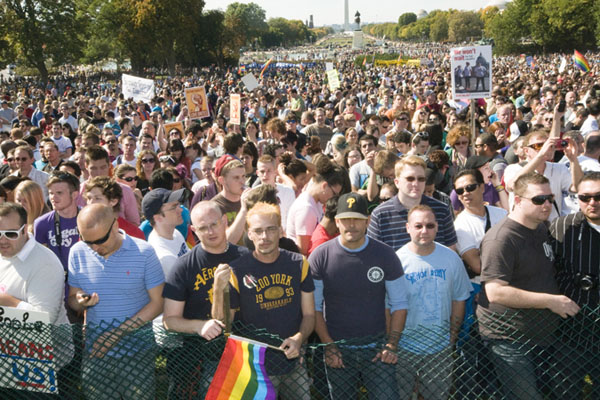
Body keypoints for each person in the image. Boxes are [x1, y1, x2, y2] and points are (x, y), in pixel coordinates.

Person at [477, 172, 580, 399]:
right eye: (538, 200)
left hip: (541, 336)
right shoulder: (501, 239)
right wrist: (550, 301)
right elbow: (495, 292)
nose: (546, 205)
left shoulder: (541, 228)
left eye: (550, 198)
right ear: (517, 200)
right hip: (508, 337)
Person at [309, 192, 408, 399]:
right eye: (346, 219)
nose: (351, 225)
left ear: (368, 221)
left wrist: (391, 345)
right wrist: (329, 345)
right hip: (338, 351)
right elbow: (314, 307)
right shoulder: (320, 256)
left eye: (357, 219)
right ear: (337, 221)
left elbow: (400, 304)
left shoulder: (386, 255)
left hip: (378, 350)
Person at [212, 202, 315, 399]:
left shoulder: (298, 263)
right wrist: (218, 289)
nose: (264, 237)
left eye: (270, 229)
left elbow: (310, 315)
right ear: (249, 234)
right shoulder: (237, 270)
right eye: (258, 231)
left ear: (280, 231)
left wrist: (299, 339)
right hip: (255, 367)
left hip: (293, 361)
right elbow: (223, 322)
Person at [67, 204, 165, 399]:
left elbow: (158, 303)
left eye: (100, 240)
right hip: (95, 353)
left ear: (115, 226)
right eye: (88, 242)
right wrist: (80, 301)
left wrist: (117, 334)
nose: (95, 248)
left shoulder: (144, 252)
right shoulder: (77, 252)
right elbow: (73, 300)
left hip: (137, 353)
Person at [162, 201, 249, 398]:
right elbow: (169, 320)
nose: (210, 232)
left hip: (243, 349)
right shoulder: (184, 266)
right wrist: (199, 326)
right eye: (203, 228)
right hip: (200, 355)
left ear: (225, 221)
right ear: (194, 230)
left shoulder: (246, 258)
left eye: (214, 224)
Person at [395, 205, 471, 400]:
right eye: (418, 226)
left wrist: (452, 337)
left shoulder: (451, 258)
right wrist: (391, 342)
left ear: (437, 227)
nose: (424, 231)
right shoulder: (396, 261)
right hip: (403, 348)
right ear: (408, 227)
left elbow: (459, 299)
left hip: (439, 348)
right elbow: (389, 306)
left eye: (429, 226)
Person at [0, 202, 74, 398]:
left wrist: (6, 301)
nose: (2, 240)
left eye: (10, 234)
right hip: (8, 364)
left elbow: (44, 320)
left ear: (25, 230)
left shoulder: (44, 263)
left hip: (44, 369)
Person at [549, 172, 600, 398]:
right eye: (585, 197)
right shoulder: (562, 227)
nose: (592, 202)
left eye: (599, 196)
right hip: (570, 331)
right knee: (565, 391)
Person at [368, 155, 457, 252]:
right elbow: (374, 253)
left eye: (421, 179)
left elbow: (451, 250)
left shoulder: (442, 210)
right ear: (397, 182)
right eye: (410, 179)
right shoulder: (380, 215)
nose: (416, 183)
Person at [287, 156, 347, 255]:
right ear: (324, 186)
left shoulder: (315, 202)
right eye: (334, 193)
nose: (334, 198)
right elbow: (303, 251)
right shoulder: (306, 208)